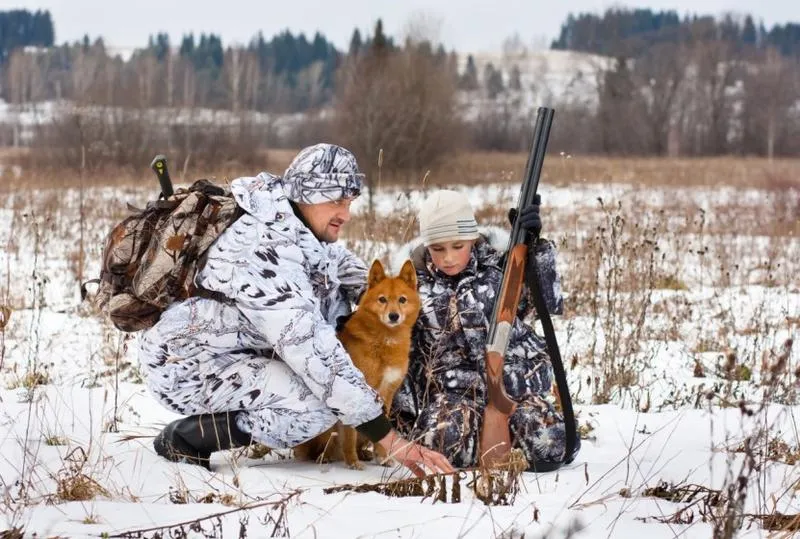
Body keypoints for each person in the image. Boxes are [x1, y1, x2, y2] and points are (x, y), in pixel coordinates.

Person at [138, 143, 453, 477]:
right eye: (336, 201)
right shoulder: (261, 250)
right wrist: (388, 439)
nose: (345, 214)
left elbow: (347, 271)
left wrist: (393, 298)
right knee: (319, 407)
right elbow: (312, 352)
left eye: (348, 202)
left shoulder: (297, 227)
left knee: (330, 385)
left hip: (233, 352)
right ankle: (186, 439)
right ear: (307, 194)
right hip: (185, 366)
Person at [392, 189, 579, 472]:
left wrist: (535, 247)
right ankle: (481, 439)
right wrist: (401, 417)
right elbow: (401, 349)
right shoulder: (412, 285)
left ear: (473, 238)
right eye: (438, 249)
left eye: (458, 246)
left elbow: (546, 302)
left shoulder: (501, 267)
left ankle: (497, 437)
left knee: (553, 445)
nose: (448, 258)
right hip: (451, 396)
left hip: (513, 389)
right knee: (438, 443)